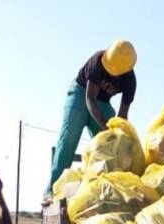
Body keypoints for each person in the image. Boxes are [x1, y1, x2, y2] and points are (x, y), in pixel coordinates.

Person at [46, 40, 137, 197]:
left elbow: (122, 116)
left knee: (111, 147)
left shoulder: (130, 82)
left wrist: (116, 134)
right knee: (69, 139)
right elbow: (89, 99)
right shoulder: (98, 61)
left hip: (103, 103)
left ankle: (108, 194)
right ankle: (52, 191)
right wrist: (106, 127)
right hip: (81, 95)